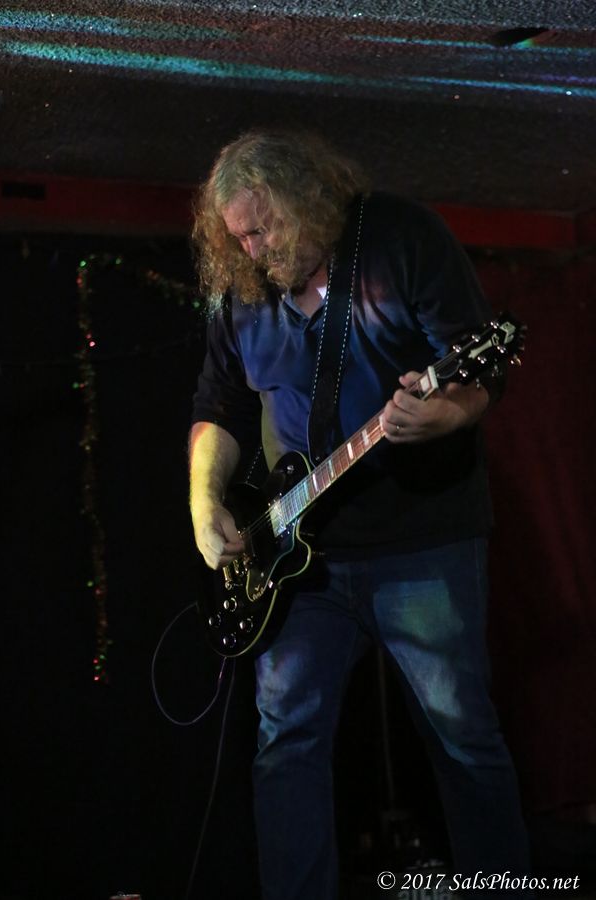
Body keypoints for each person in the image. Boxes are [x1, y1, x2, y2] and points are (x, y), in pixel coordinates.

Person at [188, 129, 531, 900]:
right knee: (285, 743)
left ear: (306, 201)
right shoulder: (242, 295)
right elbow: (218, 404)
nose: (253, 250)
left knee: (462, 737)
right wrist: (205, 502)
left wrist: (440, 415)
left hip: (422, 543)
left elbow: (477, 371)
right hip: (297, 563)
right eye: (238, 238)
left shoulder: (399, 240)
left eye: (263, 229)